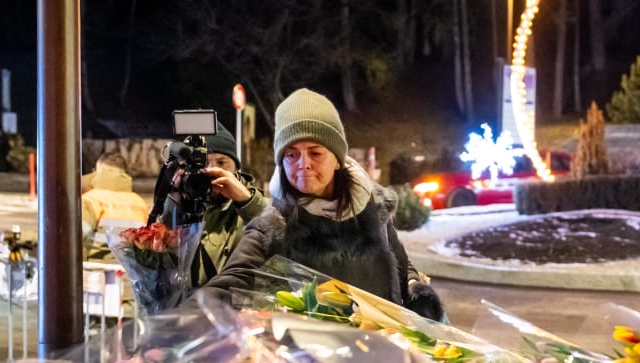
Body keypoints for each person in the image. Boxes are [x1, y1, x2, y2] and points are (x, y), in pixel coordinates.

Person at [202, 89, 445, 320]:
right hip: (312, 361)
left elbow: (401, 266)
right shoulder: (274, 226)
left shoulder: (373, 209)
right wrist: (175, 330)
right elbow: (226, 286)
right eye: (291, 154)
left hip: (382, 354)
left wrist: (418, 294)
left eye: (315, 153)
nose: (303, 164)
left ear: (337, 159)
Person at [157, 121, 266, 287]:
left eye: (222, 163)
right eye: (204, 163)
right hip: (183, 308)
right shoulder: (180, 202)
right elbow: (158, 261)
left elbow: (276, 241)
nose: (212, 170)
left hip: (228, 309)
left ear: (236, 168)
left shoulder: (249, 207)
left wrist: (246, 200)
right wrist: (174, 203)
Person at [81, 150, 149, 262]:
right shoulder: (139, 202)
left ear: (100, 171)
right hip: (130, 272)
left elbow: (74, 239)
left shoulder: (91, 199)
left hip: (97, 272)